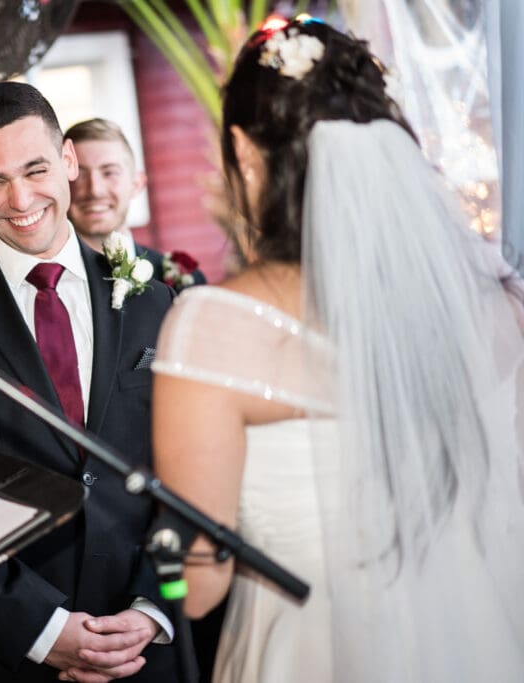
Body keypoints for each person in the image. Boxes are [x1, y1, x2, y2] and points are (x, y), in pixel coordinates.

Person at [150, 15, 524, 682]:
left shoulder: (213, 327)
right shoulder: (497, 305)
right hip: (480, 642)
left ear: (242, 151)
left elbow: (198, 584)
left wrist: (156, 554)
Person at [0, 82, 188, 683]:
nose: (19, 199)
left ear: (68, 160)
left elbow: (185, 476)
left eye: (36, 169)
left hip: (145, 650)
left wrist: (152, 607)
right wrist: (44, 631)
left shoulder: (153, 301)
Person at [65, 118, 205, 290]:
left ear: (136, 184)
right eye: (79, 174)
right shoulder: (46, 283)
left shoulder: (183, 280)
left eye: (109, 172)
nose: (94, 190)